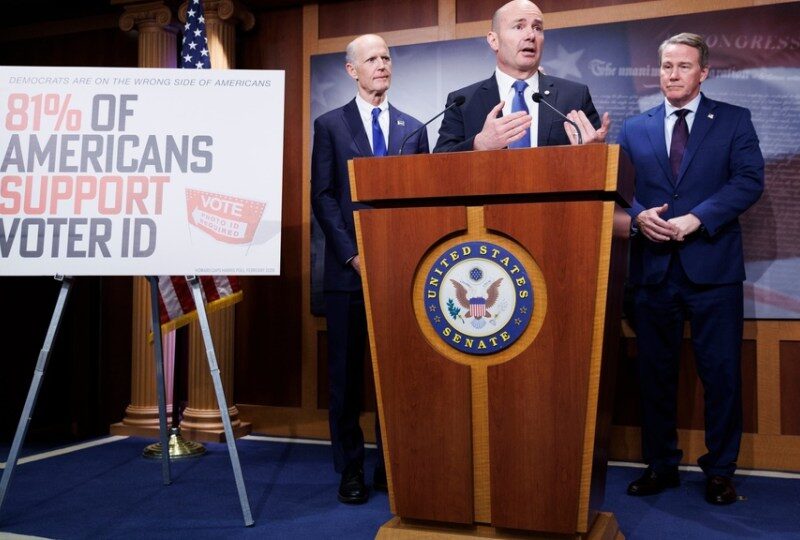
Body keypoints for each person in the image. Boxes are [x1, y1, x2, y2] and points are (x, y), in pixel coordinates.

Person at [619, 33, 764, 505]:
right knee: (654, 377)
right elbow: (620, 190)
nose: (672, 74)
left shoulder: (733, 121)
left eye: (683, 66)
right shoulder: (634, 127)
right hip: (652, 272)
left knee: (721, 375)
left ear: (704, 72)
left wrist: (698, 217)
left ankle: (720, 471)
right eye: (666, 66)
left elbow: (748, 181)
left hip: (713, 272)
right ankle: (660, 465)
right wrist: (639, 215)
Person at [311, 33, 429, 504]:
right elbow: (323, 196)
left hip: (402, 276)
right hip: (348, 276)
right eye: (372, 59)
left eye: (386, 57)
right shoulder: (330, 125)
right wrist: (353, 256)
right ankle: (351, 469)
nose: (381, 65)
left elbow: (424, 202)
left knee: (396, 377)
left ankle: (392, 464)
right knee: (346, 378)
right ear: (351, 70)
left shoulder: (414, 128)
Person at [433, 0, 610, 153]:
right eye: (519, 26)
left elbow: (597, 164)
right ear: (494, 40)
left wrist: (594, 152)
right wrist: (478, 144)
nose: (531, 35)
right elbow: (438, 163)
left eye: (537, 28)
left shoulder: (574, 96)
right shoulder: (463, 102)